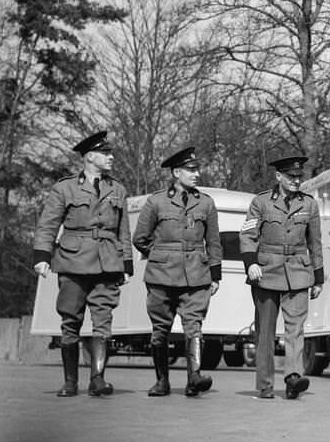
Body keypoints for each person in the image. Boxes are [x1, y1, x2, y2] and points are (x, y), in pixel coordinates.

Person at [32, 130, 133, 397]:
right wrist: (42, 257)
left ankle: (97, 379)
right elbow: (48, 225)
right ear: (89, 157)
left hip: (108, 263)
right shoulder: (64, 188)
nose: (111, 157)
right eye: (106, 153)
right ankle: (70, 381)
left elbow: (124, 231)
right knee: (70, 320)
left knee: (103, 321)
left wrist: (127, 264)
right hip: (72, 262)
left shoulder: (118, 189)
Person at [131, 147, 223, 398]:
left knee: (194, 326)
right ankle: (162, 381)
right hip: (161, 276)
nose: (197, 174)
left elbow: (214, 242)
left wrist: (215, 275)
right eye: (191, 170)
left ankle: (194, 377)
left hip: (196, 275)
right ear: (176, 172)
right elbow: (140, 238)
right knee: (160, 329)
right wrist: (162, 254)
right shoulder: (156, 201)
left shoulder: (205, 202)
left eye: (197, 169)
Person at [239, 153, 324, 400]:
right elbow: (247, 235)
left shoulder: (309, 204)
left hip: (298, 271)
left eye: (299, 176)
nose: (296, 181)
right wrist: (250, 264)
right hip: (266, 272)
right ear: (279, 177)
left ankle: (293, 378)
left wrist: (318, 278)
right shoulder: (261, 202)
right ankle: (265, 385)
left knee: (295, 329)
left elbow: (315, 243)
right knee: (265, 332)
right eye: (291, 176)